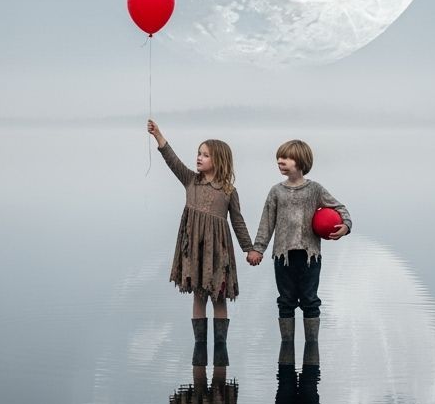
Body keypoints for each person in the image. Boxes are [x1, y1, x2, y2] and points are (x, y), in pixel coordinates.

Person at [148, 119, 259, 366]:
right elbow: (172, 160)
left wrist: (249, 249)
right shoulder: (191, 180)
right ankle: (199, 346)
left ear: (218, 161)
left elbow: (238, 222)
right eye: (199, 153)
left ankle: (220, 346)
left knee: (218, 296)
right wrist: (158, 135)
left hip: (218, 252)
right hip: (195, 252)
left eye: (205, 155)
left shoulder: (229, 191)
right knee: (198, 295)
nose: (199, 158)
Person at [247, 139, 351, 361]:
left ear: (301, 162)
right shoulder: (276, 192)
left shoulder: (315, 190)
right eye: (279, 158)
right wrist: (258, 249)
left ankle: (312, 348)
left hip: (310, 256)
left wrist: (345, 226)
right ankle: (287, 349)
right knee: (285, 300)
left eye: (286, 158)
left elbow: (340, 208)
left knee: (310, 299)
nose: (280, 161)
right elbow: (267, 223)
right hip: (282, 257)